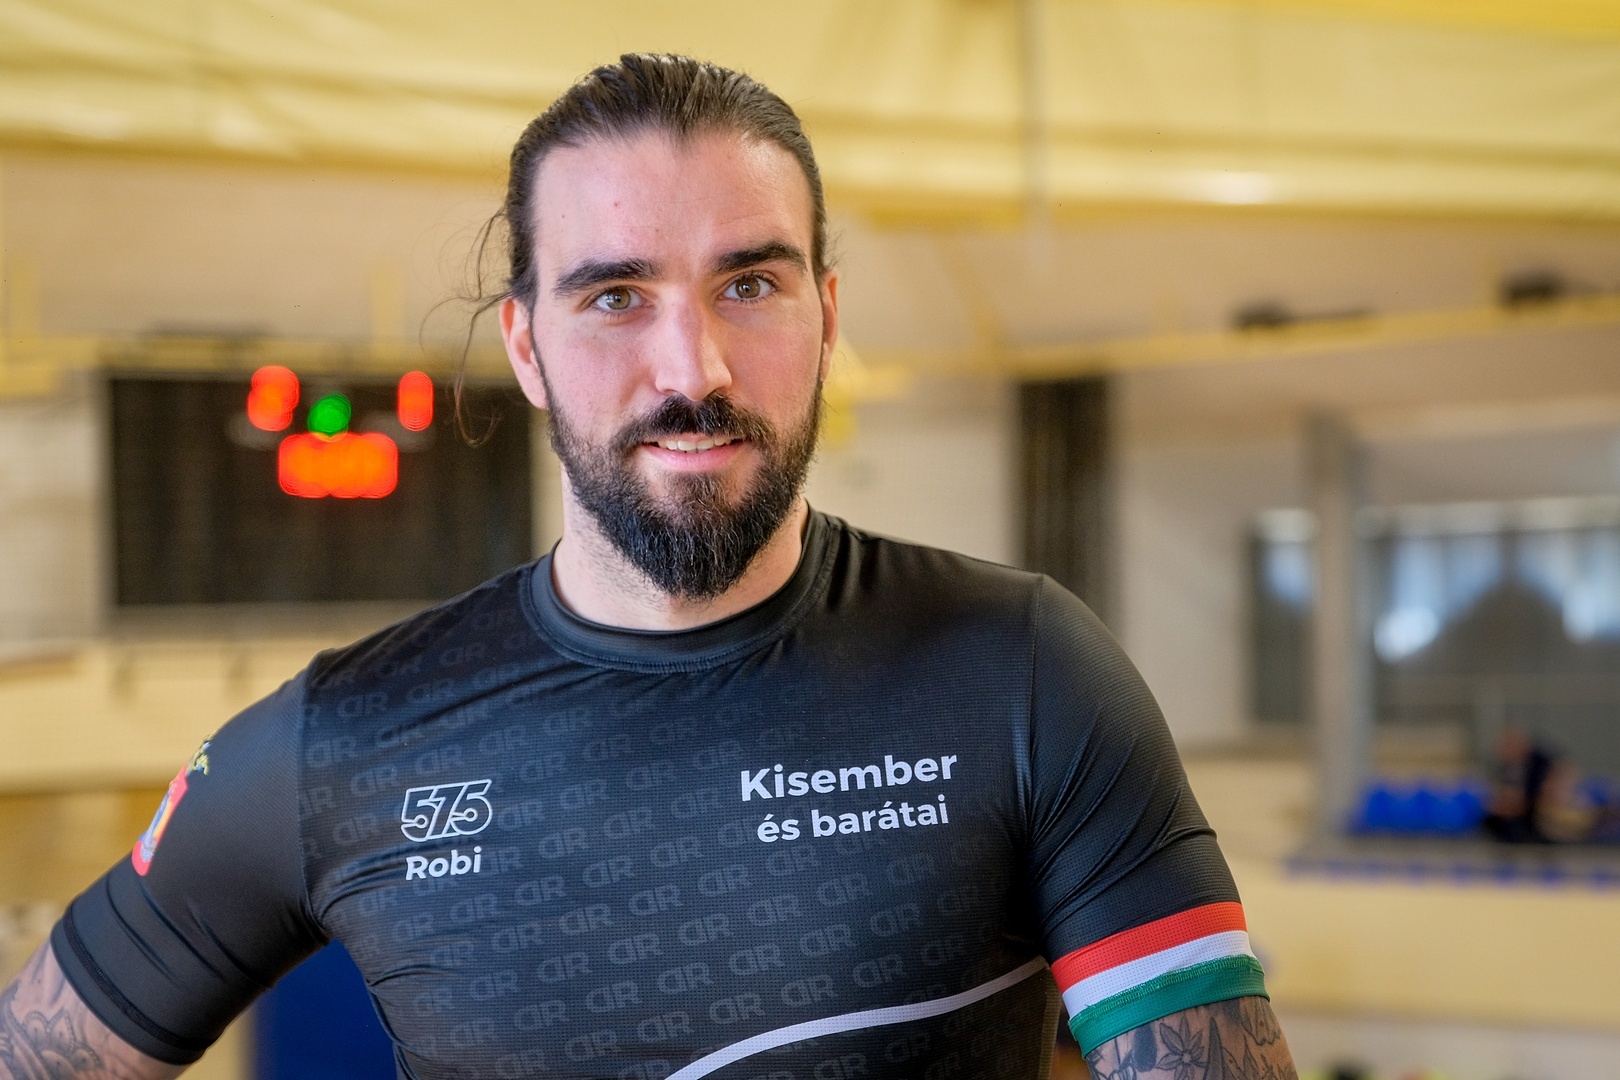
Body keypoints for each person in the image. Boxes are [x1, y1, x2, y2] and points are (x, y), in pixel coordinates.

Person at [0, 54, 1297, 1080]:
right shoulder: (345, 742)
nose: (693, 370)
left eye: (750, 285)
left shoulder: (1020, 672)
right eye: (615, 296)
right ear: (525, 346)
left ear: (827, 315)